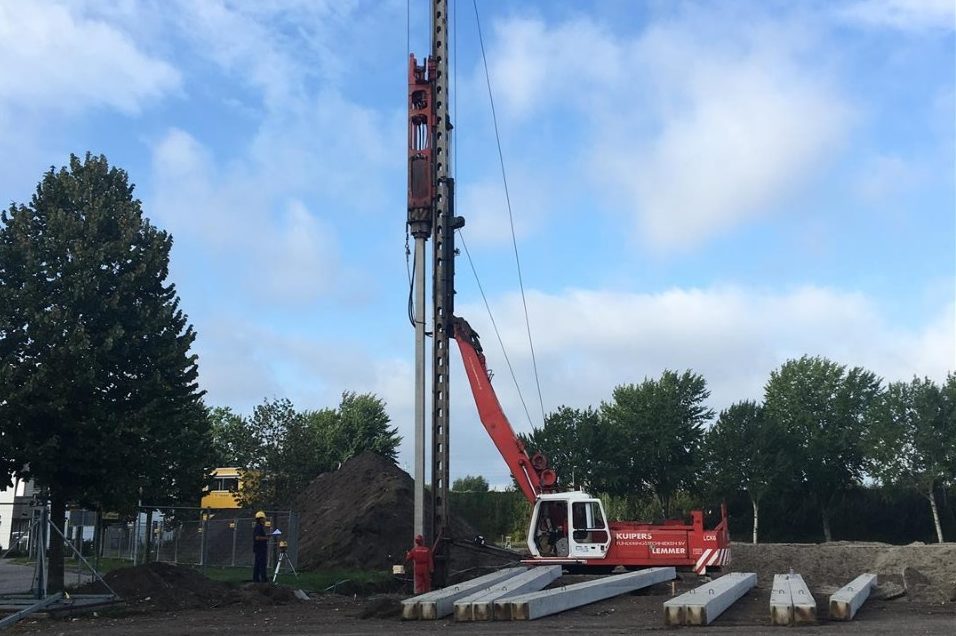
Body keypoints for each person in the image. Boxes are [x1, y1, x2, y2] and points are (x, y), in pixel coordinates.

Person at [252, 510, 269, 583]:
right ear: (261, 519)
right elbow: (257, 538)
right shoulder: (259, 527)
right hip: (260, 549)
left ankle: (256, 579)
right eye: (264, 518)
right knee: (262, 564)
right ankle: (263, 579)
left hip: (258, 548)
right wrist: (266, 538)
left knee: (258, 564)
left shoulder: (258, 527)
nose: (265, 520)